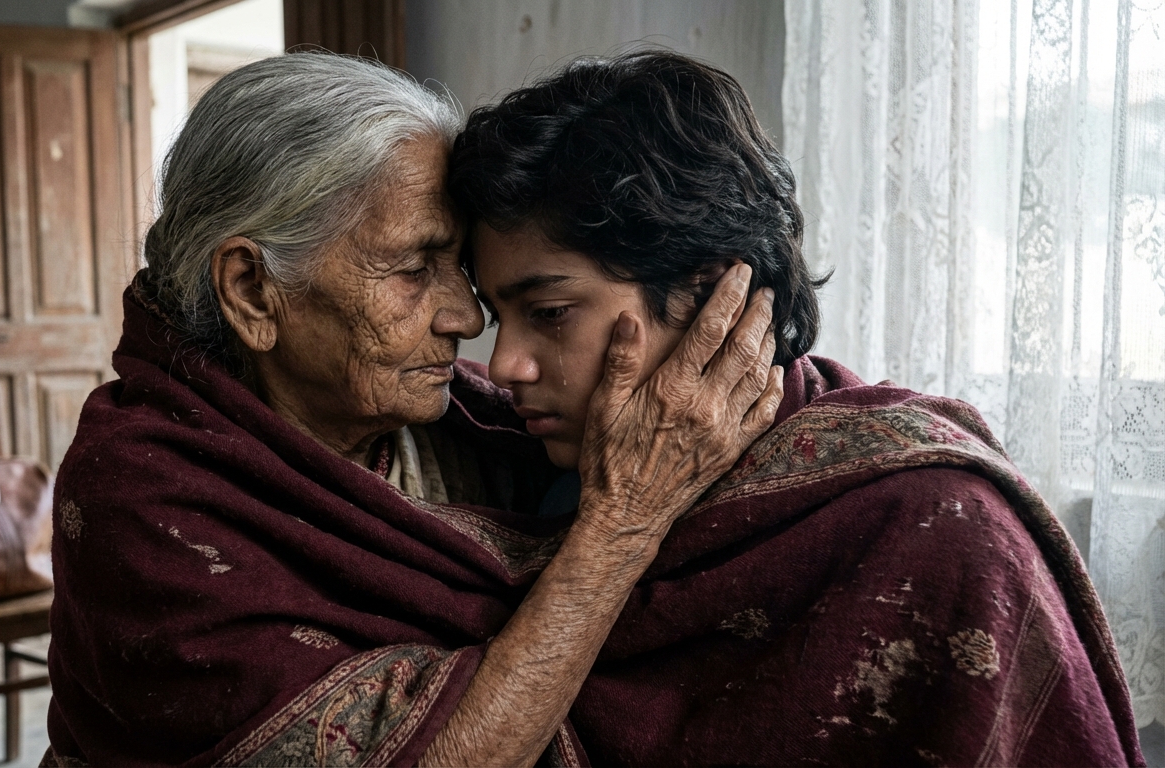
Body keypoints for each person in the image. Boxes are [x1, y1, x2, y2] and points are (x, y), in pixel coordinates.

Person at [42, 53, 781, 767]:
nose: (466, 319)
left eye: (458, 272)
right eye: (415, 270)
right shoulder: (142, 498)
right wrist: (622, 525)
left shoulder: (477, 423)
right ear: (251, 290)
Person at [448, 50, 1143, 765]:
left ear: (710, 298)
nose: (505, 366)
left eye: (552, 312)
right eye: (499, 317)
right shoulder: (528, 486)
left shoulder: (933, 526)